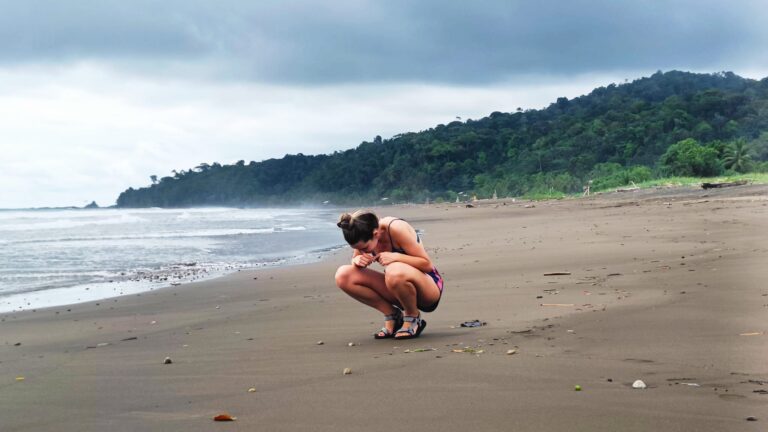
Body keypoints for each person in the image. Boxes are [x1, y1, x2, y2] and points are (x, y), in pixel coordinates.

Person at [334, 210, 444, 339]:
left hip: (428, 288)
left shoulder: (396, 228)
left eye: (364, 248)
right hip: (398, 288)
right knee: (343, 275)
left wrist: (396, 257)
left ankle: (413, 317)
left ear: (375, 234)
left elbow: (427, 265)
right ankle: (392, 315)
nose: (362, 251)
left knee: (394, 269)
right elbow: (356, 260)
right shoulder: (362, 229)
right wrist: (356, 261)